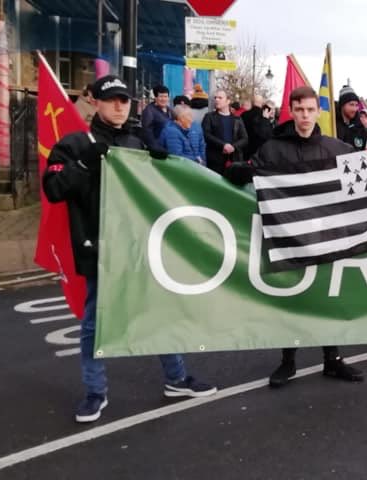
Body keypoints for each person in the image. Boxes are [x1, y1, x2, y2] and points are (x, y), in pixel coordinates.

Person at [42, 75, 217, 423]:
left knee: (159, 312)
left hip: (139, 246)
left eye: (124, 100)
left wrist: (164, 165)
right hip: (99, 248)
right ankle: (95, 392)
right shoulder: (75, 143)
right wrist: (85, 162)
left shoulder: (136, 142)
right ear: (95, 102)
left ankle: (177, 378)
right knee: (95, 322)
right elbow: (54, 189)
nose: (120, 106)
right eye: (112, 100)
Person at [222, 86, 365, 386]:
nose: (305, 116)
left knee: (327, 298)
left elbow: (365, 171)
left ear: (318, 111)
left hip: (325, 237)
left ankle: (333, 359)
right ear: (291, 111)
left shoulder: (335, 148)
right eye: (299, 110)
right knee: (292, 298)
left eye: (310, 110)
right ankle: (288, 362)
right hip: (288, 239)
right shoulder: (273, 149)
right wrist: (239, 171)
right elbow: (246, 171)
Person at [201, 89, 249, 175]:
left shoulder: (237, 119)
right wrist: (223, 145)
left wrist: (233, 147)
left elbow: (245, 138)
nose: (216, 100)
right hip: (215, 160)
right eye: (215, 98)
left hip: (233, 160)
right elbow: (206, 135)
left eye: (220, 98)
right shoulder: (209, 117)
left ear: (228, 101)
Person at [241, 95, 274, 159]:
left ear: (252, 102)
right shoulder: (265, 116)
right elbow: (267, 135)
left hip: (245, 150)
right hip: (259, 152)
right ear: (262, 103)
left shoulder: (244, 115)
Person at [336, 85, 367, 150]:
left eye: (356, 105)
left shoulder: (359, 125)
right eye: (351, 104)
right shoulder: (334, 125)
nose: (354, 109)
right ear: (342, 105)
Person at [140, 85, 172, 149]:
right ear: (155, 97)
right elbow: (147, 132)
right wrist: (157, 148)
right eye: (161, 96)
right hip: (158, 150)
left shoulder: (170, 110)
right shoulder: (149, 111)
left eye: (166, 96)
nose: (163, 99)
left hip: (169, 147)